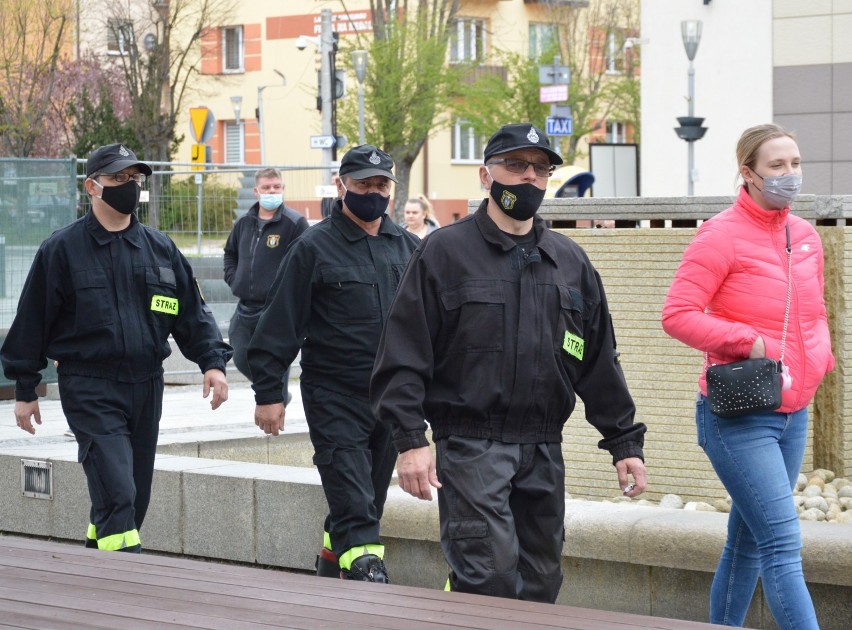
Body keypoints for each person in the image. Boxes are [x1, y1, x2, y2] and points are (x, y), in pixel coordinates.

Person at [370, 123, 647, 603]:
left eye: (540, 169)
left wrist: (623, 440)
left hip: (543, 447)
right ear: (485, 176)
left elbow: (598, 358)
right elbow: (405, 350)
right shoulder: (444, 252)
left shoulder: (569, 261)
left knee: (542, 581)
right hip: (473, 445)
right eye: (515, 166)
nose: (529, 179)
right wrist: (410, 439)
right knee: (488, 578)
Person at [0, 143, 232, 553]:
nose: (129, 186)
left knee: (132, 497)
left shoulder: (160, 249)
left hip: (146, 385)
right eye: (118, 179)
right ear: (92, 186)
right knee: (119, 491)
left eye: (134, 179)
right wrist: (24, 388)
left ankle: (97, 566)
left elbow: (190, 312)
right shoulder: (62, 249)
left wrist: (212, 362)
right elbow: (32, 319)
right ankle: (128, 585)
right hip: (90, 385)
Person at [661, 124, 831, 630]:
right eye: (777, 166)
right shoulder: (719, 234)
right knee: (782, 543)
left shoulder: (803, 236)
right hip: (739, 417)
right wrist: (748, 342)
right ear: (748, 172)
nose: (790, 175)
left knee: (748, 541)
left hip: (793, 411)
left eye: (795, 164)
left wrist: (820, 357)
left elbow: (815, 313)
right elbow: (677, 314)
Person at [247, 144, 420, 583]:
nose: (373, 192)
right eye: (363, 183)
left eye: (381, 184)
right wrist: (270, 393)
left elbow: (428, 328)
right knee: (359, 512)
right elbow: (279, 325)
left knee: (366, 501)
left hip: (390, 401)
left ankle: (328, 575)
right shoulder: (313, 246)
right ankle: (366, 576)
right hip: (334, 396)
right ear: (343, 186)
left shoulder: (410, 249)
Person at [223, 168, 308, 404]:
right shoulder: (244, 222)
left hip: (275, 308)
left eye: (276, 187)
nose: (272, 191)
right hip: (245, 306)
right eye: (267, 188)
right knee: (240, 356)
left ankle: (273, 400)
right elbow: (230, 254)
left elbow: (304, 262)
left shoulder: (294, 222)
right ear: (256, 191)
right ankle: (278, 394)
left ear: (283, 188)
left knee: (273, 359)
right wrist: (234, 278)